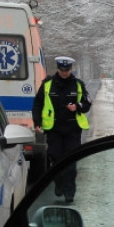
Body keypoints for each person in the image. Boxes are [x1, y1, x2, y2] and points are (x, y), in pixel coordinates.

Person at [33, 56, 92, 203]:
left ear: (71, 69)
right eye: (61, 70)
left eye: (67, 70)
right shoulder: (47, 84)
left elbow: (87, 103)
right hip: (54, 129)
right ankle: (59, 183)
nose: (64, 73)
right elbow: (38, 104)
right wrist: (37, 122)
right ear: (57, 69)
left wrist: (77, 107)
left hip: (72, 129)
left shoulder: (78, 85)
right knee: (55, 159)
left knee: (71, 162)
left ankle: (69, 192)